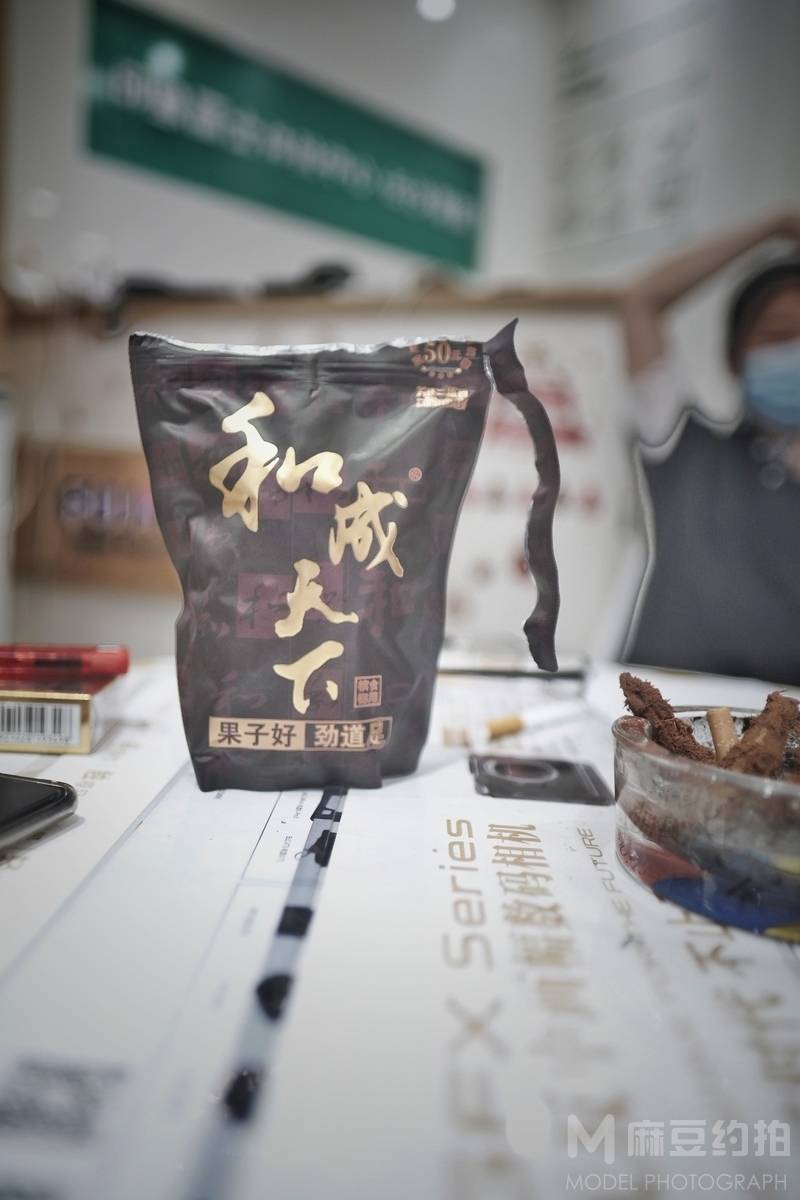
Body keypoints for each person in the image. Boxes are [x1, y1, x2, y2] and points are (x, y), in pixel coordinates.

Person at [620, 210, 800, 685]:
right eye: (778, 336)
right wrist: (771, 224)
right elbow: (641, 301)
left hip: (782, 721)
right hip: (657, 706)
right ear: (735, 358)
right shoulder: (685, 446)